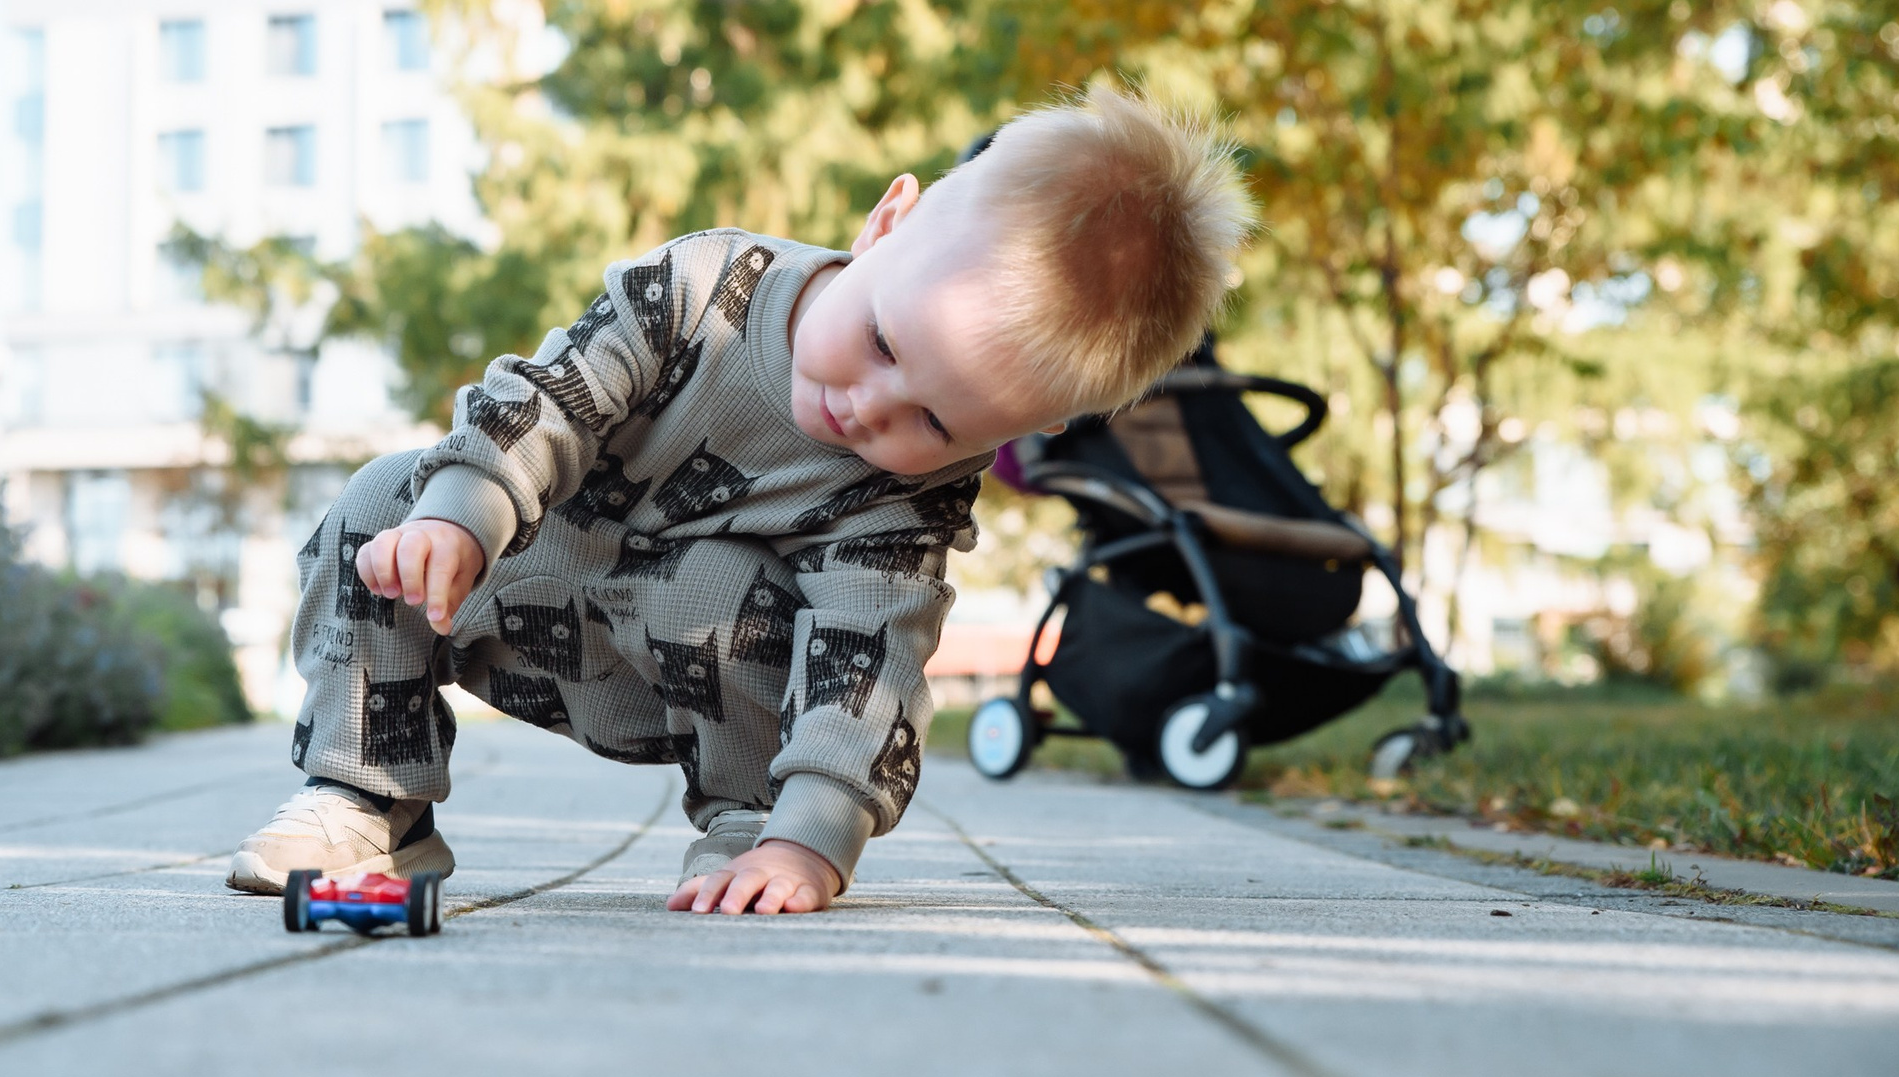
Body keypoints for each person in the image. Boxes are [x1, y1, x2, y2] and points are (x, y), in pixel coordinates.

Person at [228, 86, 1255, 914]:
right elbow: (550, 396)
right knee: (382, 499)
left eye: (936, 421)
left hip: (696, 674)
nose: (868, 408)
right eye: (885, 344)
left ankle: (746, 829)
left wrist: (810, 840)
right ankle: (370, 799)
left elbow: (866, 671)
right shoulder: (698, 295)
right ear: (885, 223)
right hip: (516, 591)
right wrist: (459, 513)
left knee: (716, 585)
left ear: (1023, 432)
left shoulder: (907, 504)